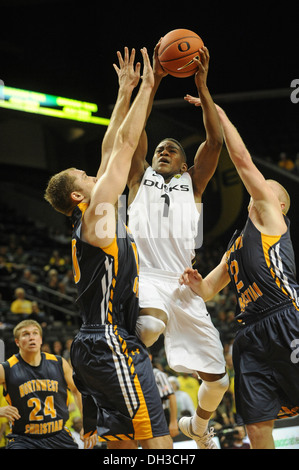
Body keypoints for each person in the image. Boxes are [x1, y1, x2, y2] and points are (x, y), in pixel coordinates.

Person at [44, 47, 172, 450]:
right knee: (158, 442)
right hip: (109, 341)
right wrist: (148, 89)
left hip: (94, 345)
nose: (93, 171)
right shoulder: (96, 216)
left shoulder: (95, 215)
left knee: (120, 444)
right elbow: (124, 146)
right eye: (84, 175)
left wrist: (125, 90)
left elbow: (109, 146)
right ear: (79, 196)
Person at [125, 40, 229, 449]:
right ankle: (118, 390)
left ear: (185, 165)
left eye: (172, 150)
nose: (164, 151)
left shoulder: (194, 183)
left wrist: (203, 85)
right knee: (148, 326)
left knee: (219, 383)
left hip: (183, 284)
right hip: (146, 275)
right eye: (160, 150)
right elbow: (135, 133)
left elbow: (215, 142)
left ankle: (197, 428)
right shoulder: (139, 177)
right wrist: (151, 84)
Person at [180, 98, 299, 449]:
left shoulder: (272, 219)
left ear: (277, 205)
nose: (259, 190)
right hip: (248, 334)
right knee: (256, 425)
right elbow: (208, 291)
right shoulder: (236, 244)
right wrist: (194, 283)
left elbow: (243, 161)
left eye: (266, 189)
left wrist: (219, 113)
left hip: (284, 317)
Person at [0, 319, 82, 449]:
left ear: (41, 339)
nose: (31, 337)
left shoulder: (59, 363)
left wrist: (87, 425)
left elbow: (78, 391)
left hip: (59, 436)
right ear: (17, 342)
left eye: (35, 333)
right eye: (26, 334)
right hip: (24, 440)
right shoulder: (6, 368)